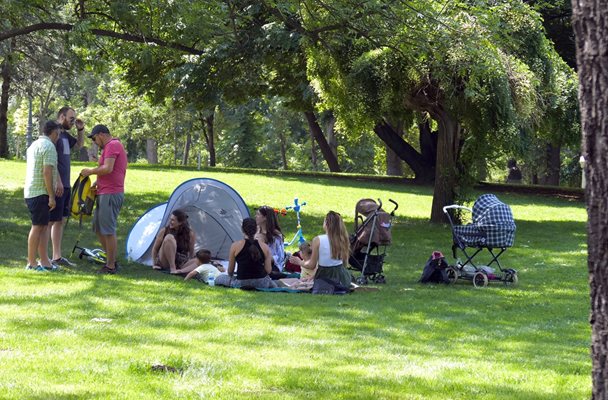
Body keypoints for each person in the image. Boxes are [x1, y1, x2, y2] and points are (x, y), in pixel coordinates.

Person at [80, 124, 127, 274]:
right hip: (103, 191)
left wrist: (90, 171)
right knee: (98, 227)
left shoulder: (112, 145)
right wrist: (97, 182)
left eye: (94, 139)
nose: (94, 142)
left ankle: (111, 266)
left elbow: (108, 168)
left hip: (111, 193)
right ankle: (111, 260)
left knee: (107, 229)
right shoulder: (110, 146)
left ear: (101, 134)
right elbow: (107, 171)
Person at [46, 106, 85, 268]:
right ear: (61, 116)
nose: (73, 121)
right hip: (58, 185)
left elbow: (79, 146)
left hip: (66, 185)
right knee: (50, 221)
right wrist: (58, 181)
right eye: (71, 118)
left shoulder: (66, 136)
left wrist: (80, 129)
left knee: (60, 221)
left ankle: (57, 256)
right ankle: (44, 257)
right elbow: (51, 161)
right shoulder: (54, 136)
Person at [24, 121, 61, 271]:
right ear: (53, 133)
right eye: (58, 134)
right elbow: (47, 172)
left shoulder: (34, 145)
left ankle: (45, 262)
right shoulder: (49, 146)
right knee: (38, 227)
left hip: (32, 191)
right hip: (40, 192)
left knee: (44, 227)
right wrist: (51, 196)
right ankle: (31, 263)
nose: (58, 137)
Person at [289, 211, 352, 288]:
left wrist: (299, 262)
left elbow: (312, 265)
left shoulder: (318, 240)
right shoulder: (343, 238)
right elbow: (338, 263)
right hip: (342, 278)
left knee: (297, 284)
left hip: (325, 277)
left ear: (326, 223)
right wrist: (313, 277)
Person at [215, 217, 277, 289]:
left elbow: (230, 271)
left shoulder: (235, 246)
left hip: (241, 282)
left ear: (242, 229)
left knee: (219, 278)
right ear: (256, 229)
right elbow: (268, 270)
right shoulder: (264, 246)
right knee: (272, 283)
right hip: (261, 282)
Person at [151, 209, 196, 273]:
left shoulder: (190, 234)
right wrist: (154, 264)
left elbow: (191, 252)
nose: (170, 222)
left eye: (173, 220)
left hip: (181, 262)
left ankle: (180, 271)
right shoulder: (164, 231)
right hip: (165, 261)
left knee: (200, 260)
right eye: (170, 219)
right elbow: (155, 249)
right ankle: (173, 268)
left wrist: (194, 261)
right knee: (169, 237)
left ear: (180, 222)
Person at [254, 206, 287, 272]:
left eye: (258, 214)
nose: (255, 216)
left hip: (273, 265)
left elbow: (280, 257)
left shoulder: (275, 235)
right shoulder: (255, 230)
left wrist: (266, 258)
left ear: (265, 218)